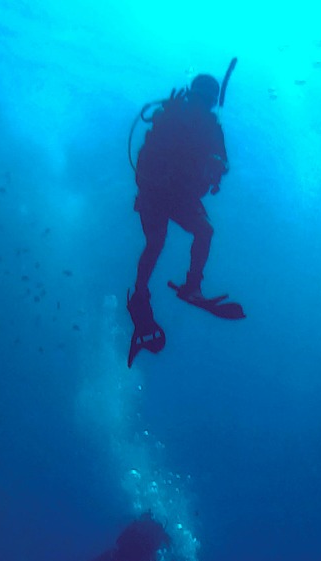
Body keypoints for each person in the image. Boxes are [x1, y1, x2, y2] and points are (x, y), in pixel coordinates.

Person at [127, 72, 236, 366]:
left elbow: (224, 161)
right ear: (193, 96)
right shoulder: (172, 114)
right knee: (156, 242)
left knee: (204, 232)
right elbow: (150, 149)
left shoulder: (212, 127)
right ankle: (140, 293)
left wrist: (218, 166)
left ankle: (192, 287)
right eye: (200, 100)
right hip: (155, 192)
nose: (203, 106)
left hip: (181, 197)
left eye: (207, 102)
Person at [82, 512, 171, 561]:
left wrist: (121, 543)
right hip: (139, 555)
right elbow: (153, 551)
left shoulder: (142, 523)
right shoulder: (161, 534)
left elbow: (124, 536)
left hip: (128, 548)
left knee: (114, 559)